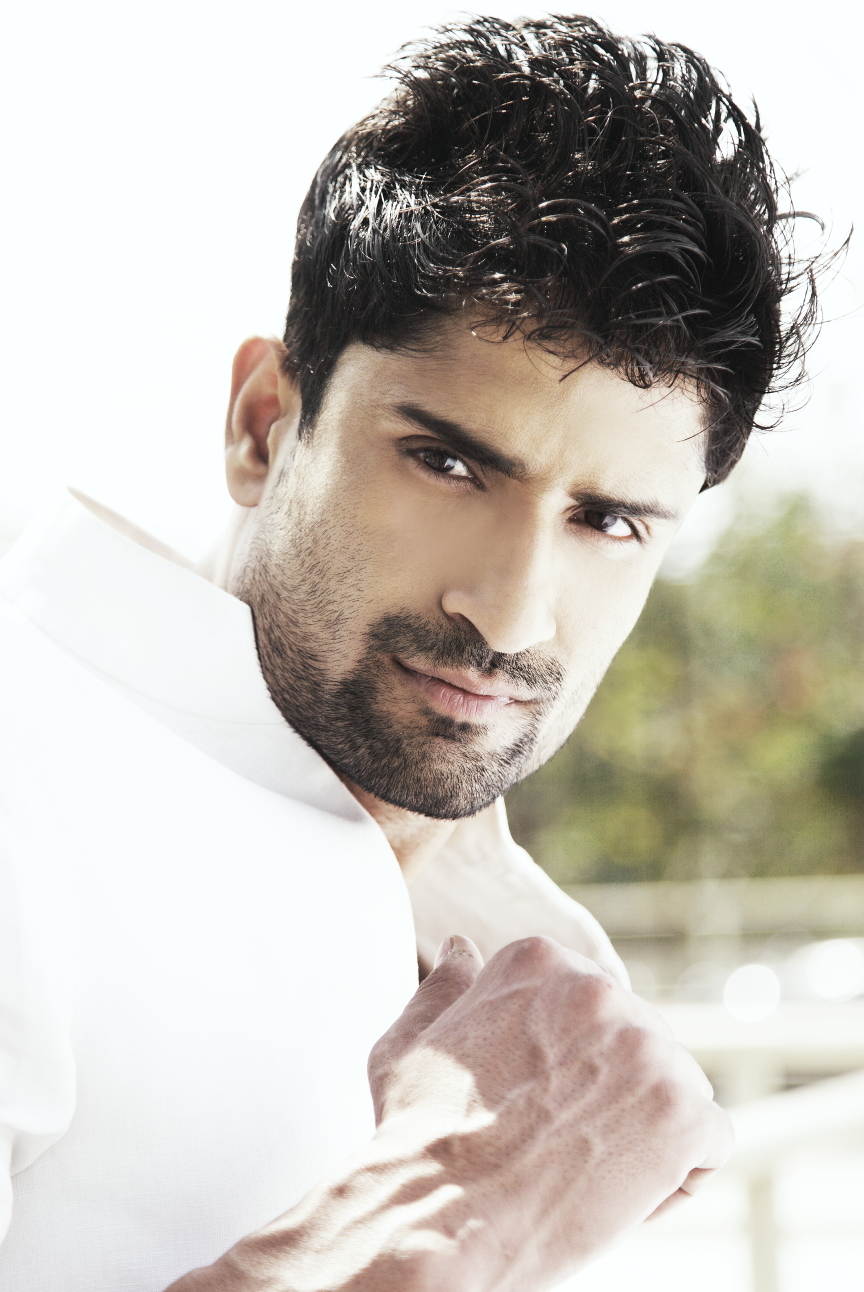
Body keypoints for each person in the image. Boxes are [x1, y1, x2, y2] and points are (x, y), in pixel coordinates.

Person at [0, 14, 816, 1291]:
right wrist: (451, 1208)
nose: (512, 613)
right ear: (265, 425)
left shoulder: (510, 933)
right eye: (446, 461)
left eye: (608, 521)